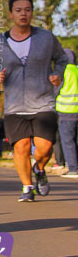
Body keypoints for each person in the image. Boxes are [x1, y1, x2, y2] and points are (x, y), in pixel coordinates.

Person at [0, 0, 68, 202]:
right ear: (11, 14)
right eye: (19, 10)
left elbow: (62, 58)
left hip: (43, 100)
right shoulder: (0, 41)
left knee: (45, 147)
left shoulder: (46, 38)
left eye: (28, 10)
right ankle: (27, 186)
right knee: (20, 147)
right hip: (14, 104)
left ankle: (39, 168)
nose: (24, 14)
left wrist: (57, 74)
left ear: (32, 12)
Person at [56, 50, 78, 178]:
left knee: (68, 141)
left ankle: (74, 168)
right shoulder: (77, 70)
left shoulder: (63, 72)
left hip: (66, 111)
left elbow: (56, 90)